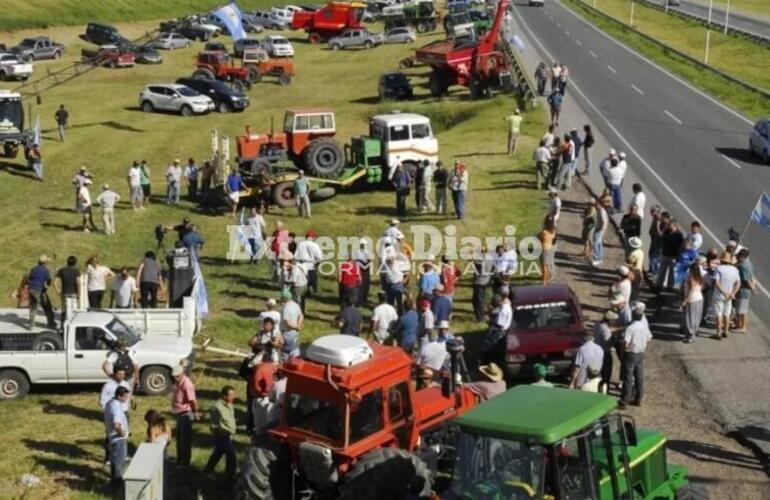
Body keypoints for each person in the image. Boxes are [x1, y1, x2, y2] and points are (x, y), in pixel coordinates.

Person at [619, 303, 652, 408]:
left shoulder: (630, 328)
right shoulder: (644, 327)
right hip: (641, 353)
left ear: (633, 316)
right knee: (639, 377)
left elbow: (626, 343)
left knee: (628, 377)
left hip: (631, 354)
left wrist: (623, 352)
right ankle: (639, 398)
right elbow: (649, 339)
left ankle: (625, 400)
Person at [205, 386, 237, 479]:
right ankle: (230, 477)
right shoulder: (217, 407)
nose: (233, 397)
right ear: (224, 396)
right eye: (230, 395)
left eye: (233, 395)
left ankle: (208, 470)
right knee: (231, 456)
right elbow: (214, 424)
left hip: (229, 435)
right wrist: (220, 433)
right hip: (222, 435)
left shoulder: (230, 405)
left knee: (218, 452)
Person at [104, 386, 131, 488]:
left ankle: (114, 481)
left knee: (115, 460)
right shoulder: (116, 407)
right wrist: (122, 433)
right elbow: (116, 424)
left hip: (111, 437)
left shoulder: (109, 403)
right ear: (119, 396)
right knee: (119, 462)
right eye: (125, 397)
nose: (126, 399)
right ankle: (116, 484)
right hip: (118, 439)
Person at [172, 365, 198, 467]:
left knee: (185, 440)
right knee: (179, 438)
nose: (175, 378)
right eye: (174, 376)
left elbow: (192, 401)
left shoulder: (187, 385)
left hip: (186, 414)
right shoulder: (178, 382)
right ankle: (180, 460)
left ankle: (185, 463)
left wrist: (195, 413)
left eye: (177, 376)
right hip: (180, 413)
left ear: (182, 374)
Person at [712, 251, 740, 339]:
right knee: (727, 314)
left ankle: (718, 333)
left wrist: (724, 292)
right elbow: (738, 283)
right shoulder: (735, 270)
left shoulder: (718, 269)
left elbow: (717, 283)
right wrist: (733, 293)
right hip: (729, 296)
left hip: (719, 295)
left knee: (718, 314)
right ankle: (726, 331)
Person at [656, 219, 684, 292]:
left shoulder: (679, 235)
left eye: (670, 225)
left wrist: (678, 255)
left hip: (673, 256)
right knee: (662, 270)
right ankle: (659, 285)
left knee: (672, 273)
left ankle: (670, 287)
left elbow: (681, 246)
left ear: (675, 225)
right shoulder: (667, 231)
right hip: (665, 254)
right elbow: (662, 239)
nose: (669, 226)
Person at [681, 261, 704, 343]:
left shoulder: (691, 278)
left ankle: (691, 335)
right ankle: (692, 333)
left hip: (692, 300)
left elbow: (691, 290)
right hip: (699, 298)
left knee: (689, 318)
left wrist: (685, 300)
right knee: (696, 317)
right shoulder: (700, 277)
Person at [294, 230, 323, 295]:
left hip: (300, 264)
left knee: (302, 280)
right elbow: (319, 257)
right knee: (311, 279)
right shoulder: (314, 245)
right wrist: (317, 263)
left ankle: (303, 291)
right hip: (310, 265)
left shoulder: (300, 244)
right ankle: (312, 291)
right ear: (312, 237)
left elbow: (295, 255)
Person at [594, 311, 617, 387]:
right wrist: (613, 340)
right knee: (606, 374)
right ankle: (605, 387)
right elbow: (608, 343)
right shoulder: (606, 330)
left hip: (597, 351)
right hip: (605, 353)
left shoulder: (597, 324)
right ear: (610, 321)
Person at [735, 249, 756, 334]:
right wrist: (754, 286)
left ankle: (743, 327)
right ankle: (739, 324)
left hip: (743, 290)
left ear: (742, 256)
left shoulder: (743, 266)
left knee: (742, 310)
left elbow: (747, 280)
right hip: (744, 290)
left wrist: (753, 289)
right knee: (740, 310)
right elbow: (753, 276)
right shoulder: (749, 264)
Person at [54, 256, 80, 323]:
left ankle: (62, 325)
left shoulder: (62, 270)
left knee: (64, 310)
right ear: (75, 263)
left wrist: (58, 291)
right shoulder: (76, 271)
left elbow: (54, 282)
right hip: (74, 293)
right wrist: (79, 293)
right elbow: (77, 283)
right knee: (74, 310)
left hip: (64, 292)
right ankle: (73, 324)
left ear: (67, 261)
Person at [279, 289, 304, 360]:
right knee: (295, 350)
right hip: (295, 332)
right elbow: (301, 315)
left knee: (285, 353)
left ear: (284, 298)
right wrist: (298, 325)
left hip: (287, 332)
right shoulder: (296, 305)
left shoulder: (286, 308)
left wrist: (296, 327)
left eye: (281, 298)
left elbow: (287, 322)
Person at [472, 247, 493, 321]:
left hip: (479, 281)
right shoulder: (490, 257)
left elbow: (473, 261)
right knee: (482, 299)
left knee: (478, 300)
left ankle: (480, 317)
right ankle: (482, 314)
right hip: (486, 279)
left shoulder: (480, 260)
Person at [538, 216, 557, 285]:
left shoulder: (544, 232)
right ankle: (548, 278)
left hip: (544, 250)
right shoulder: (554, 230)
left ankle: (544, 281)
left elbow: (538, 237)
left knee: (544, 267)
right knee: (548, 265)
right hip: (551, 248)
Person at [591, 198, 608, 267]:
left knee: (595, 244)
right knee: (599, 244)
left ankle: (597, 258)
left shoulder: (601, 211)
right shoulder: (599, 210)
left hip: (599, 230)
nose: (595, 206)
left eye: (596, 205)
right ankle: (600, 257)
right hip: (598, 229)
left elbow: (604, 222)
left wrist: (601, 230)